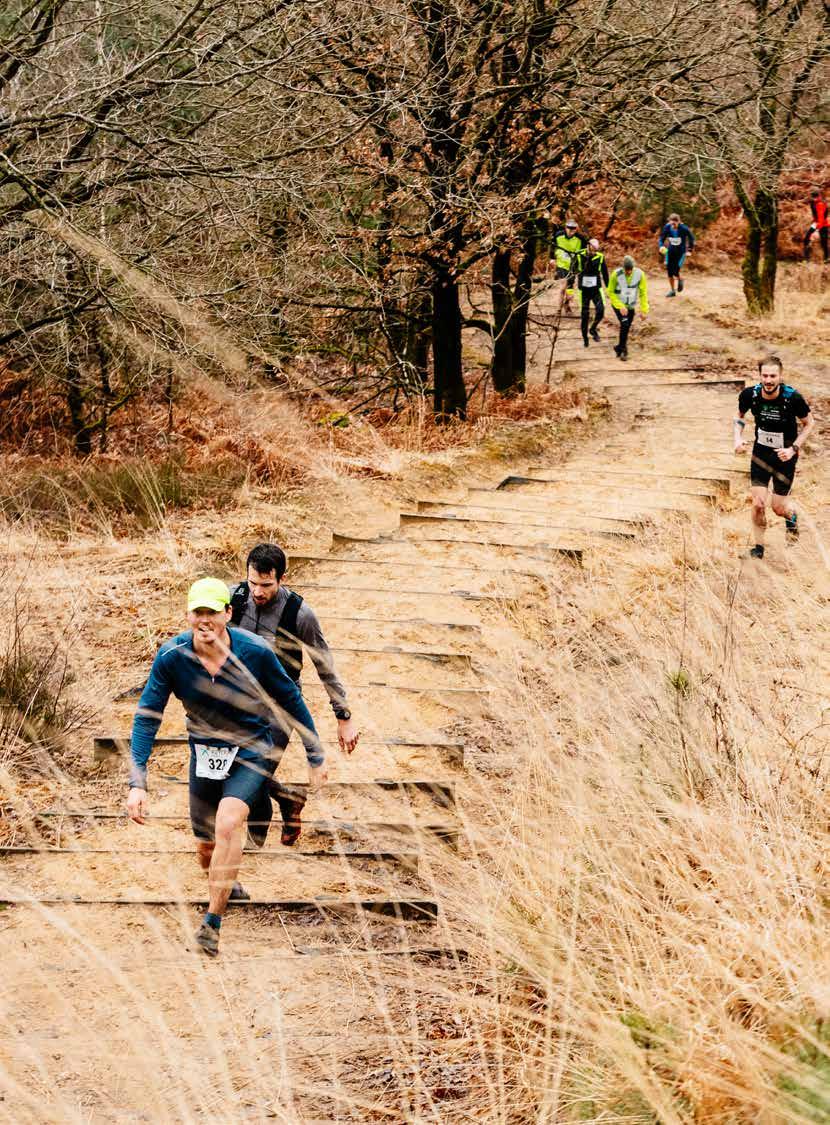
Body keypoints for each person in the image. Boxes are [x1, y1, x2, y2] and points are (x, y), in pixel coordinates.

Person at [126, 577, 325, 957]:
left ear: (228, 613)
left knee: (228, 824)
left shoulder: (255, 652)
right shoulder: (172, 656)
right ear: (188, 615)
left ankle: (212, 923)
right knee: (206, 849)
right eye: (197, 612)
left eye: (212, 612)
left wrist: (315, 754)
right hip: (205, 754)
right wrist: (137, 781)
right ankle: (227, 881)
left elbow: (290, 698)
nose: (205, 620)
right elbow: (147, 716)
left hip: (251, 749)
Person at [230, 543, 359, 848]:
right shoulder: (234, 600)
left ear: (282, 579)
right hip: (240, 700)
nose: (257, 592)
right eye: (253, 582)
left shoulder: (299, 614)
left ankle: (253, 843)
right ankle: (287, 799)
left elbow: (324, 665)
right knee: (231, 765)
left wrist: (343, 715)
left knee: (257, 770)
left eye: (266, 585)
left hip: (281, 703)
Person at [733, 355, 814, 559]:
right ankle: (758, 549)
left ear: (780, 376)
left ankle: (791, 518)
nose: (768, 380)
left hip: (785, 457)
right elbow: (739, 416)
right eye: (765, 376)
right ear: (760, 375)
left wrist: (793, 449)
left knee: (778, 508)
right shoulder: (750, 395)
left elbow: (809, 423)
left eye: (773, 376)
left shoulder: (792, 398)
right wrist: (737, 438)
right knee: (758, 504)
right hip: (761, 454)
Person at [608, 255, 649, 361]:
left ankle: (619, 347)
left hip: (630, 306)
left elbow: (643, 293)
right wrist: (620, 306)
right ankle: (623, 351)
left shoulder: (640, 274)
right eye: (627, 270)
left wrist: (644, 310)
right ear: (623, 268)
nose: (629, 272)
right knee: (625, 324)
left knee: (626, 328)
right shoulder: (616, 274)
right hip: (618, 305)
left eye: (630, 270)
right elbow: (610, 292)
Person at [551, 218, 588, 314]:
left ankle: (567, 305)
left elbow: (585, 252)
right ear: (565, 228)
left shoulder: (580, 239)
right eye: (569, 228)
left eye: (573, 228)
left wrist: (583, 265)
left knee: (570, 289)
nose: (571, 230)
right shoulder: (558, 235)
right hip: (561, 264)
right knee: (563, 287)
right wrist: (552, 258)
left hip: (573, 265)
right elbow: (552, 246)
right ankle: (558, 309)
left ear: (576, 229)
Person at [577, 237, 609, 347]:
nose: (594, 252)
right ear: (588, 246)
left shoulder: (600, 257)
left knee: (601, 310)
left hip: (596, 289)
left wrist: (609, 288)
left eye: (596, 250)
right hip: (583, 290)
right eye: (593, 250)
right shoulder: (579, 255)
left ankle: (593, 329)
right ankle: (585, 338)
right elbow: (573, 271)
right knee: (585, 315)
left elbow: (605, 274)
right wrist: (569, 288)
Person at [658, 213, 695, 296]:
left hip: (681, 252)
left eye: (674, 224)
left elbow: (691, 238)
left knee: (675, 271)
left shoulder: (684, 228)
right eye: (671, 224)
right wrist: (661, 246)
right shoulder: (667, 227)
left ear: (679, 222)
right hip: (670, 251)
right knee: (669, 271)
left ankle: (680, 279)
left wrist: (690, 250)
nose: (673, 226)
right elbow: (661, 238)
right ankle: (672, 291)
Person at [803, 188, 829, 263]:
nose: (815, 198)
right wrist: (814, 223)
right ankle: (807, 259)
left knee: (824, 242)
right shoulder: (813, 203)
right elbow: (816, 217)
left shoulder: (820, 204)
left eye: (816, 196)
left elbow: (821, 218)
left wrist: (817, 230)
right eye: (813, 196)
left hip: (823, 224)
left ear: (819, 196)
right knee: (806, 239)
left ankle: (826, 258)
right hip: (817, 223)